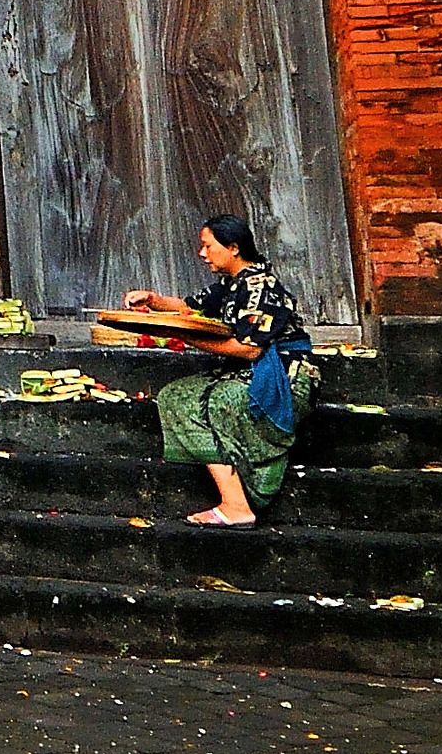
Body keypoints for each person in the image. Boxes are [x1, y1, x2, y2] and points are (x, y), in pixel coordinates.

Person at [124, 211, 317, 527]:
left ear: (234, 248)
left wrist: (186, 337)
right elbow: (190, 306)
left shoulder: (262, 287)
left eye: (208, 246)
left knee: (219, 401)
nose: (202, 254)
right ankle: (233, 498)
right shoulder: (231, 286)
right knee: (176, 396)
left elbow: (251, 348)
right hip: (248, 373)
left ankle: (238, 505)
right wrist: (151, 298)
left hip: (286, 379)